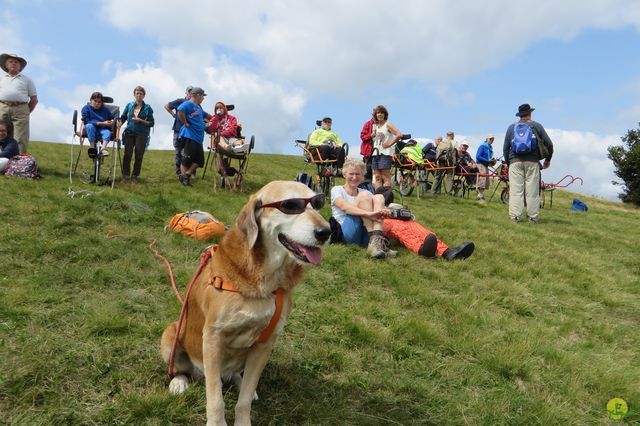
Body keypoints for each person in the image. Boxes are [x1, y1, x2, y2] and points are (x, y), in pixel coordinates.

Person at [330, 158, 395, 259]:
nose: (354, 177)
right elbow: (344, 207)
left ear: (362, 176)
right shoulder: (337, 190)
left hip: (365, 234)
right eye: (351, 174)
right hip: (348, 233)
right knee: (364, 196)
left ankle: (376, 242)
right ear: (344, 175)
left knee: (379, 197)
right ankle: (376, 242)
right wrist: (369, 214)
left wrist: (385, 211)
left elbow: (379, 208)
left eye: (358, 174)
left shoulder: (366, 193)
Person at [503, 103, 554, 223]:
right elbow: (549, 144)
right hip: (532, 161)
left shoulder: (511, 127)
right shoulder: (537, 126)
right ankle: (533, 217)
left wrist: (509, 163)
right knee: (532, 191)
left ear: (519, 115)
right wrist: (547, 160)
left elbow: (505, 148)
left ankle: (514, 217)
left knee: (516, 191)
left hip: (515, 161)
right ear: (530, 113)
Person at [382, 204, 475, 261]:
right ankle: (423, 250)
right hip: (375, 222)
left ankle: (447, 252)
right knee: (400, 228)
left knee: (413, 225)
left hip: (385, 214)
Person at [0, 53, 38, 154]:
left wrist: (25, 112)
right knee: (1, 134)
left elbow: (34, 99)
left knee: (20, 138)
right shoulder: (1, 78)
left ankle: (20, 165)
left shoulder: (27, 80)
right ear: (6, 65)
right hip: (2, 107)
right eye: (10, 61)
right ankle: (3, 160)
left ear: (20, 66)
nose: (13, 63)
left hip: (21, 108)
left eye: (16, 62)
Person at [176, 87, 212, 186]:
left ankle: (186, 175)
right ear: (197, 95)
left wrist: (217, 118)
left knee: (199, 161)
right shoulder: (188, 103)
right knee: (186, 160)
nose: (203, 99)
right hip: (189, 136)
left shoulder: (198, 107)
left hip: (197, 138)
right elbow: (180, 110)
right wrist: (185, 122)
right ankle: (184, 180)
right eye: (202, 96)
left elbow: (207, 115)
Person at [119, 86, 154, 182]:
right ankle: (125, 176)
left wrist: (140, 120)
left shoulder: (147, 108)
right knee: (127, 155)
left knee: (139, 156)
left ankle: (135, 176)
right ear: (134, 95)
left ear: (144, 96)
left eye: (141, 94)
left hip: (142, 134)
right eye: (137, 93)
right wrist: (119, 124)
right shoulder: (129, 105)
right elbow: (123, 117)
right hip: (129, 132)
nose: (139, 95)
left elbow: (152, 123)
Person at [371, 105, 402, 190]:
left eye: (382, 112)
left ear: (385, 114)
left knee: (385, 177)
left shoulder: (388, 124)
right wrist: (373, 135)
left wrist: (389, 144)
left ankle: (387, 198)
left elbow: (399, 134)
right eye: (378, 113)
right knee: (377, 177)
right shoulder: (376, 126)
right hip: (375, 153)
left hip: (385, 153)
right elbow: (377, 139)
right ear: (375, 115)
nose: (380, 114)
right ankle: (379, 197)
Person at [164, 86, 193, 175]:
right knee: (178, 152)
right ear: (186, 93)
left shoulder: (195, 104)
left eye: (192, 92)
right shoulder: (180, 101)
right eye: (189, 92)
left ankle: (189, 172)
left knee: (189, 152)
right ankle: (178, 172)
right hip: (178, 129)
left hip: (190, 131)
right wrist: (173, 115)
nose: (190, 94)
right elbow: (167, 106)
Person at [475, 134, 496, 201]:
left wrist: (492, 160)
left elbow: (488, 157)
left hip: (486, 165)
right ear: (487, 139)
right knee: (482, 179)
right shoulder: (482, 146)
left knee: (486, 180)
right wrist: (487, 160)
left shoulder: (490, 147)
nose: (491, 140)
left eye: (492, 139)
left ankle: (481, 195)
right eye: (490, 139)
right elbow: (478, 156)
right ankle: (479, 195)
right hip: (480, 164)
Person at [359, 113, 375, 181]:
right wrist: (370, 136)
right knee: (368, 168)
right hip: (368, 150)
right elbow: (362, 137)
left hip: (379, 150)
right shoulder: (368, 124)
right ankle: (366, 186)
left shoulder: (383, 125)